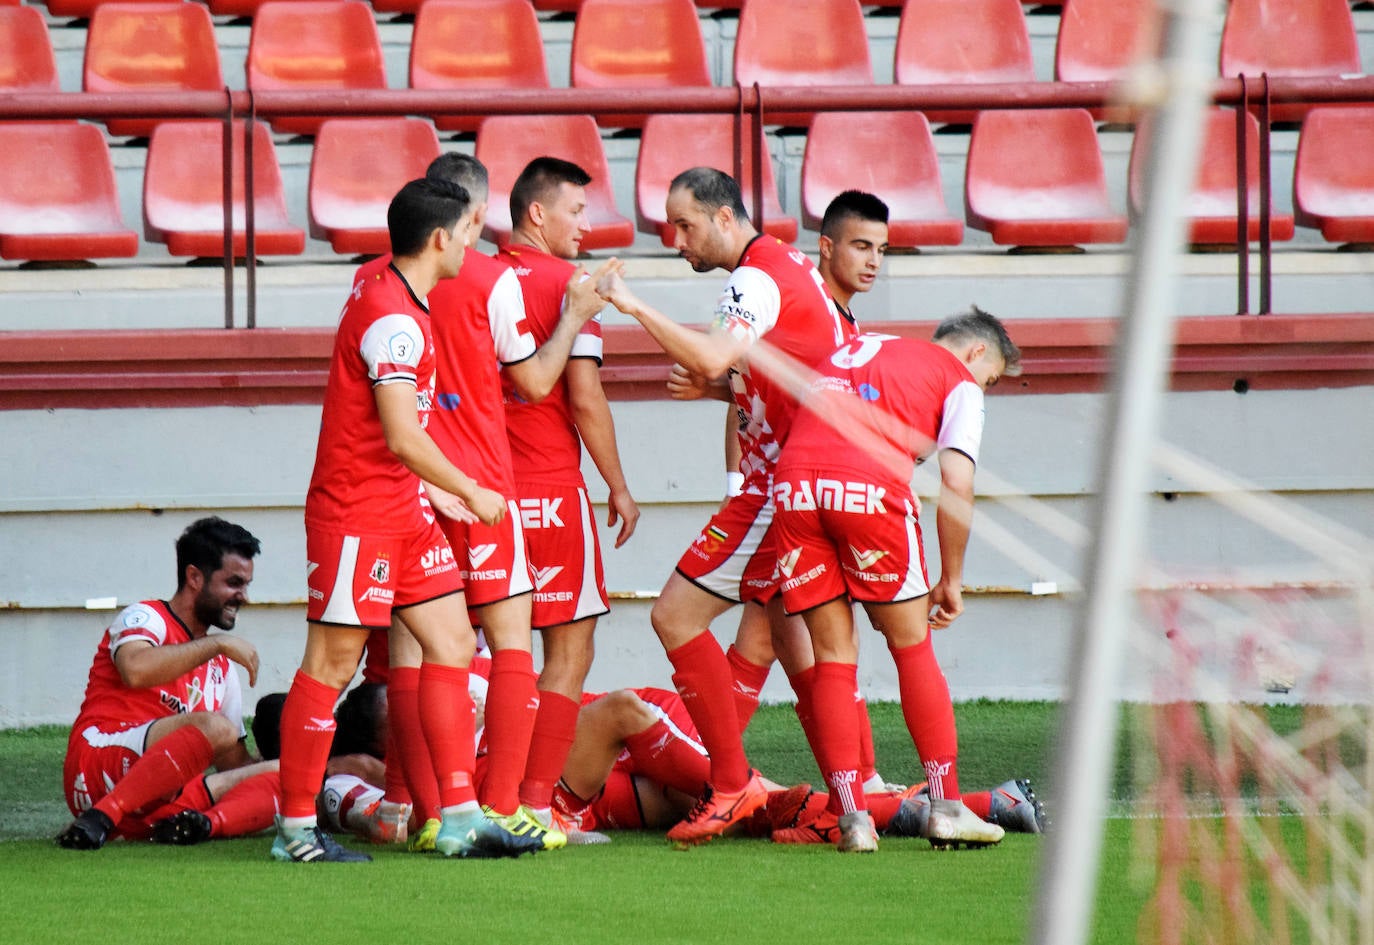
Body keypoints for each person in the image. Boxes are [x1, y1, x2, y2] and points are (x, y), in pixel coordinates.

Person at [272, 177, 539, 863]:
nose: (478, 242)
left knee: (453, 641)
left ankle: (457, 814)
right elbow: (400, 434)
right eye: (471, 231)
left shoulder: (377, 281)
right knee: (332, 663)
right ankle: (297, 829)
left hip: (405, 507)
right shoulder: (396, 322)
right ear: (442, 239)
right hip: (358, 513)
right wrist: (471, 490)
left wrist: (433, 494)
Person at [594, 167, 856, 844]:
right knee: (796, 646)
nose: (676, 239)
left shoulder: (753, 279)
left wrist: (631, 303)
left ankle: (732, 782)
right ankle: (848, 804)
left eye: (684, 224)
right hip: (817, 477)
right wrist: (727, 395)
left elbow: (714, 353)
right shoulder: (791, 268)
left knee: (674, 615)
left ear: (722, 217)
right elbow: (800, 370)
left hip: (780, 486)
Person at [377, 153, 618, 853]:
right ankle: (519, 807)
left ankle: (425, 811)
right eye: (576, 209)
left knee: (418, 654)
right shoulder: (501, 280)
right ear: (474, 215)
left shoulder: (373, 279)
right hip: (495, 486)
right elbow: (553, 385)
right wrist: (574, 312)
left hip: (410, 486)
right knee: (531, 646)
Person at [769, 310, 1022, 852]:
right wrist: (951, 578)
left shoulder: (861, 347)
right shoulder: (957, 379)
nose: (986, 390)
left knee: (833, 656)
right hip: (866, 488)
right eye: (992, 379)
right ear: (976, 353)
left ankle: (854, 821)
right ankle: (948, 808)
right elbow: (957, 480)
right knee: (912, 647)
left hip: (792, 488)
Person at [725, 191, 894, 795]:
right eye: (860, 246)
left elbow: (746, 382)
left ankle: (857, 781)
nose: (873, 261)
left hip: (797, 500)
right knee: (792, 641)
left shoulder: (842, 322)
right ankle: (717, 774)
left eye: (881, 250)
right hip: (783, 495)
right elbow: (745, 376)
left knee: (793, 642)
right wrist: (734, 479)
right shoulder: (805, 305)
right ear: (826, 247)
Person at [495, 157, 640, 832]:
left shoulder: (474, 278)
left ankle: (453, 801)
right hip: (550, 489)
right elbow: (583, 393)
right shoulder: (572, 286)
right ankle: (535, 805)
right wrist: (618, 485)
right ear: (537, 213)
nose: (587, 223)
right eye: (576, 210)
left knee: (484, 650)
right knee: (569, 652)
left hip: (479, 491)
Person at [56, 517, 282, 850]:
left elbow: (232, 763)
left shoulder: (222, 669)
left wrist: (287, 759)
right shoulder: (147, 617)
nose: (243, 596)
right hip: (98, 769)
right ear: (194, 577)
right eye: (234, 583)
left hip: (158, 805)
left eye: (246, 584)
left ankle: (204, 826)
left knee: (295, 778)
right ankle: (103, 815)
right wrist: (217, 644)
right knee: (216, 727)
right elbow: (135, 669)